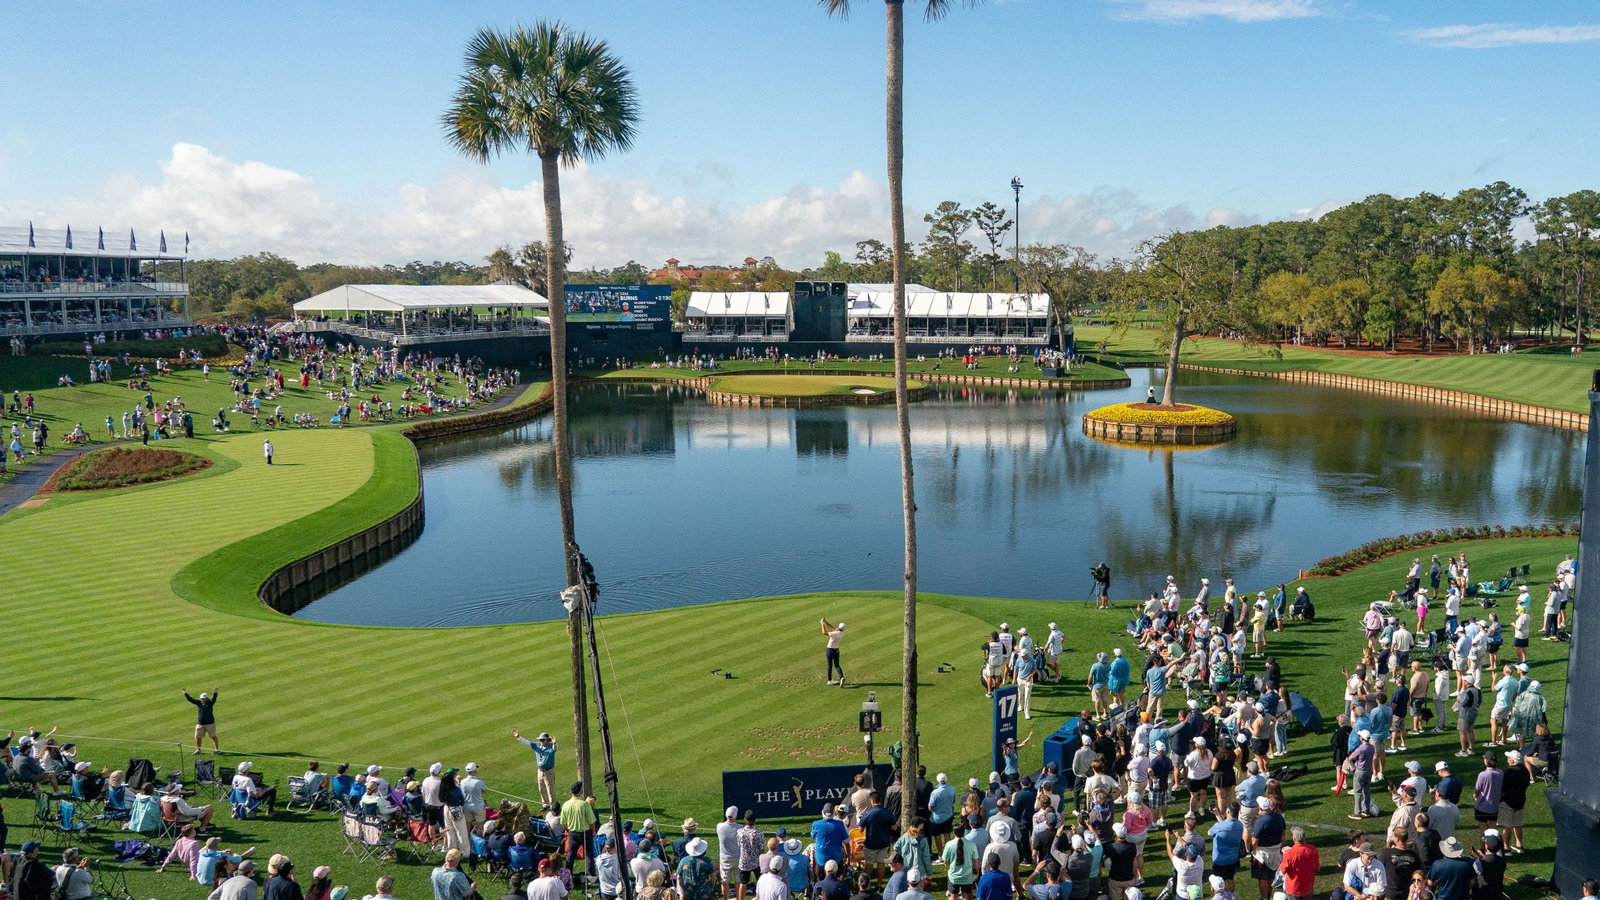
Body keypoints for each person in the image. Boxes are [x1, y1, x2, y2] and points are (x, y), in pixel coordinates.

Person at [513, 730, 558, 811]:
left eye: (542, 740)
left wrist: (554, 743)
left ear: (547, 740)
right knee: (541, 789)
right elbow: (527, 743)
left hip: (549, 772)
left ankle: (553, 807)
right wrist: (518, 737)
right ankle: (545, 805)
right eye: (540, 740)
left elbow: (555, 749)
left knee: (550, 790)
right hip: (540, 771)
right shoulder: (537, 745)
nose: (541, 741)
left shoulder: (551, 746)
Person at [559, 782, 597, 874]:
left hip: (573, 833)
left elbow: (563, 823)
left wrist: (567, 829)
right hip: (585, 833)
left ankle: (568, 874)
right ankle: (591, 875)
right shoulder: (584, 804)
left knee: (571, 854)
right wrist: (594, 831)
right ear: (580, 791)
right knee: (589, 854)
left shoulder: (566, 805)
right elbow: (591, 821)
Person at [1278, 828, 1319, 900]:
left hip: (1293, 888)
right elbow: (1317, 867)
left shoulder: (1289, 853)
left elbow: (1283, 870)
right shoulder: (1312, 849)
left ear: (1294, 838)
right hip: (1307, 886)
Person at [184, 687, 221, 754]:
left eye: (203, 699)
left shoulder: (210, 703)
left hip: (210, 723)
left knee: (213, 736)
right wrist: (186, 693)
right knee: (198, 737)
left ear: (206, 699)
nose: (201, 699)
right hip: (200, 724)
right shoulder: (199, 703)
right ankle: (199, 750)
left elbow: (214, 698)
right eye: (201, 698)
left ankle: (217, 750)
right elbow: (190, 699)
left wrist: (215, 693)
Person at [821, 618, 847, 686]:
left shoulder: (834, 633)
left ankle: (829, 680)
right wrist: (826, 622)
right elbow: (832, 628)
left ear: (839, 627)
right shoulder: (841, 633)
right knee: (837, 665)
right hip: (836, 651)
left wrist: (822, 624)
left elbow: (824, 632)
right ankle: (842, 677)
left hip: (829, 651)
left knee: (829, 665)